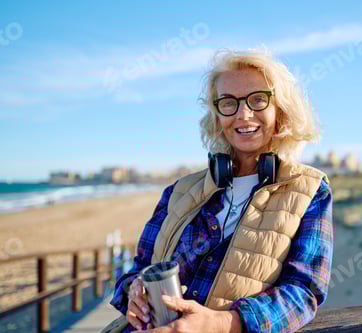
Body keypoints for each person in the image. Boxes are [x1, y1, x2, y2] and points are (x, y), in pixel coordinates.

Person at [102, 49, 334, 333]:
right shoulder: (178, 191)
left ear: (281, 111)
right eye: (228, 102)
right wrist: (133, 291)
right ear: (216, 115)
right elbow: (137, 268)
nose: (243, 114)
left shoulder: (310, 190)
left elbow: (303, 293)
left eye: (258, 100)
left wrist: (220, 323)